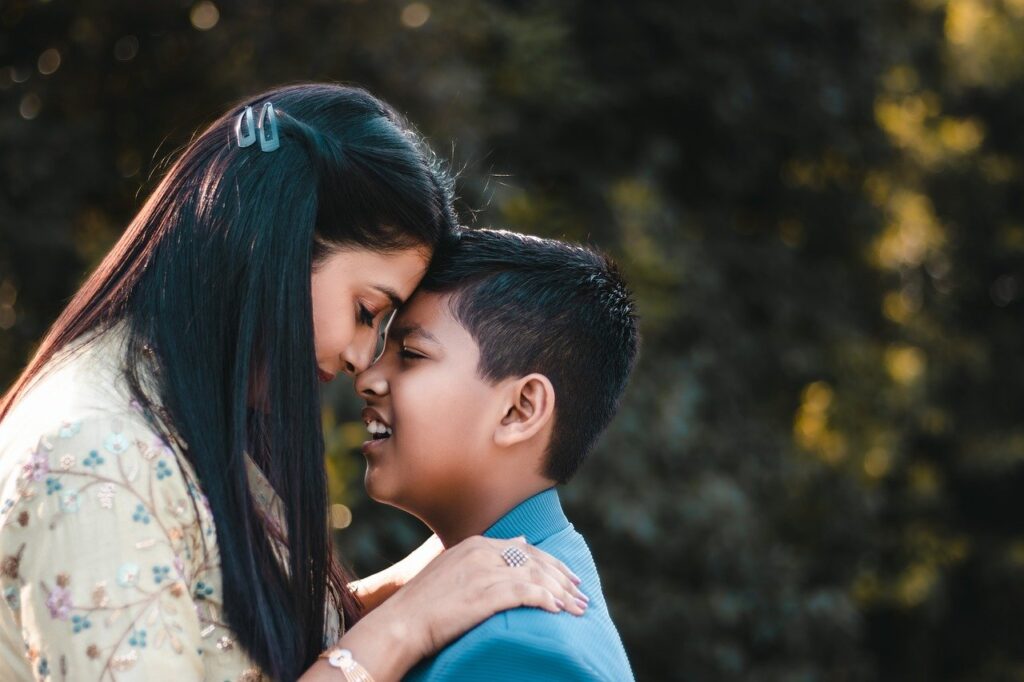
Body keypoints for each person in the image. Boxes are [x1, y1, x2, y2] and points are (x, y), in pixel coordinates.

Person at [0, 84, 587, 682]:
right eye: (366, 310)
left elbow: (222, 639)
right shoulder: (94, 458)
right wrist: (408, 622)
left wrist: (403, 586)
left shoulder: (184, 403)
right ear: (271, 245)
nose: (363, 359)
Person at [354, 228, 639, 681]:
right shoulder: (483, 590)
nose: (367, 377)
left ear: (519, 410)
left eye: (409, 353)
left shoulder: (518, 654)